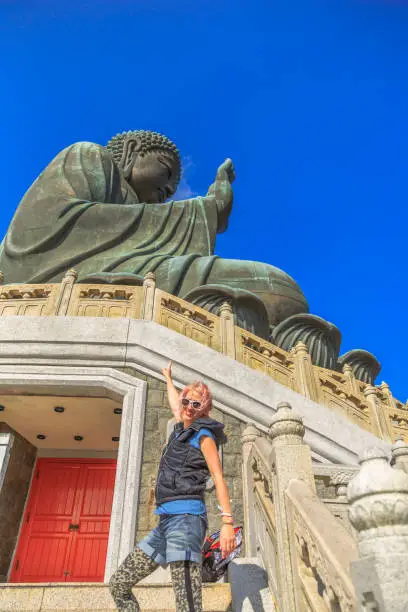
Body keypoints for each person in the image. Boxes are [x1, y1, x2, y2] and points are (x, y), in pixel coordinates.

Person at [109, 361, 236, 612]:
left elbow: (219, 477)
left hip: (186, 521)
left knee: (187, 603)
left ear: (204, 408)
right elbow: (173, 401)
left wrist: (227, 523)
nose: (189, 407)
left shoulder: (204, 436)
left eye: (196, 404)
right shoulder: (180, 427)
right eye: (186, 401)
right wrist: (168, 378)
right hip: (165, 523)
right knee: (118, 583)